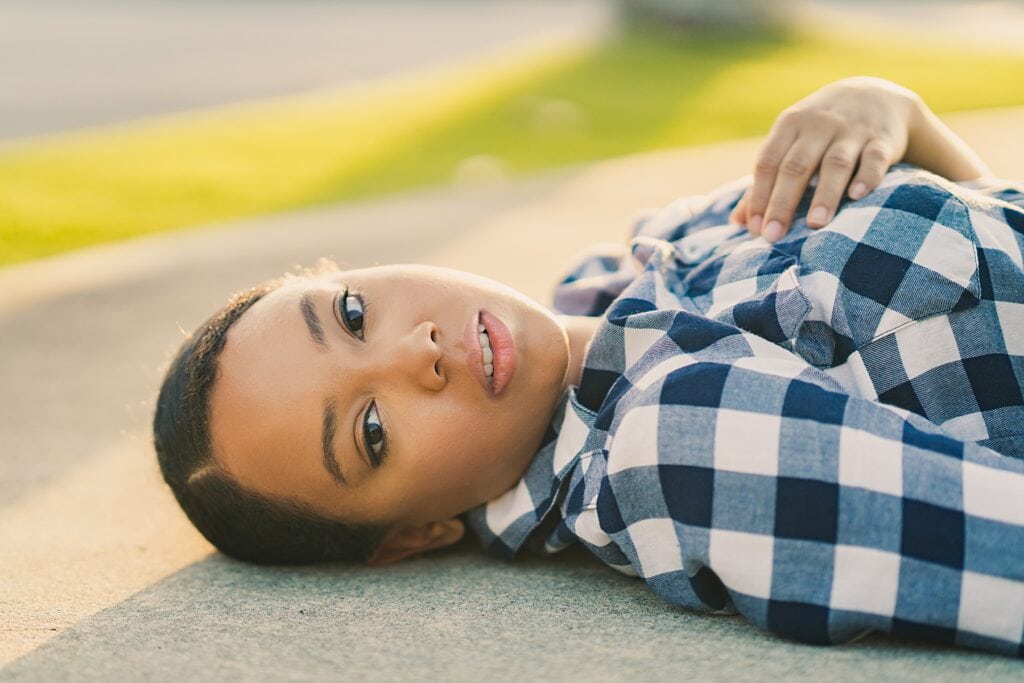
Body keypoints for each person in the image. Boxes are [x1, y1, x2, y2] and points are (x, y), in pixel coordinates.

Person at [152, 77, 1024, 657]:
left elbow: (981, 282)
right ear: (416, 535)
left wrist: (894, 112)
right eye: (370, 430)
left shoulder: (648, 252)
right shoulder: (676, 445)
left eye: (350, 315)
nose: (411, 351)